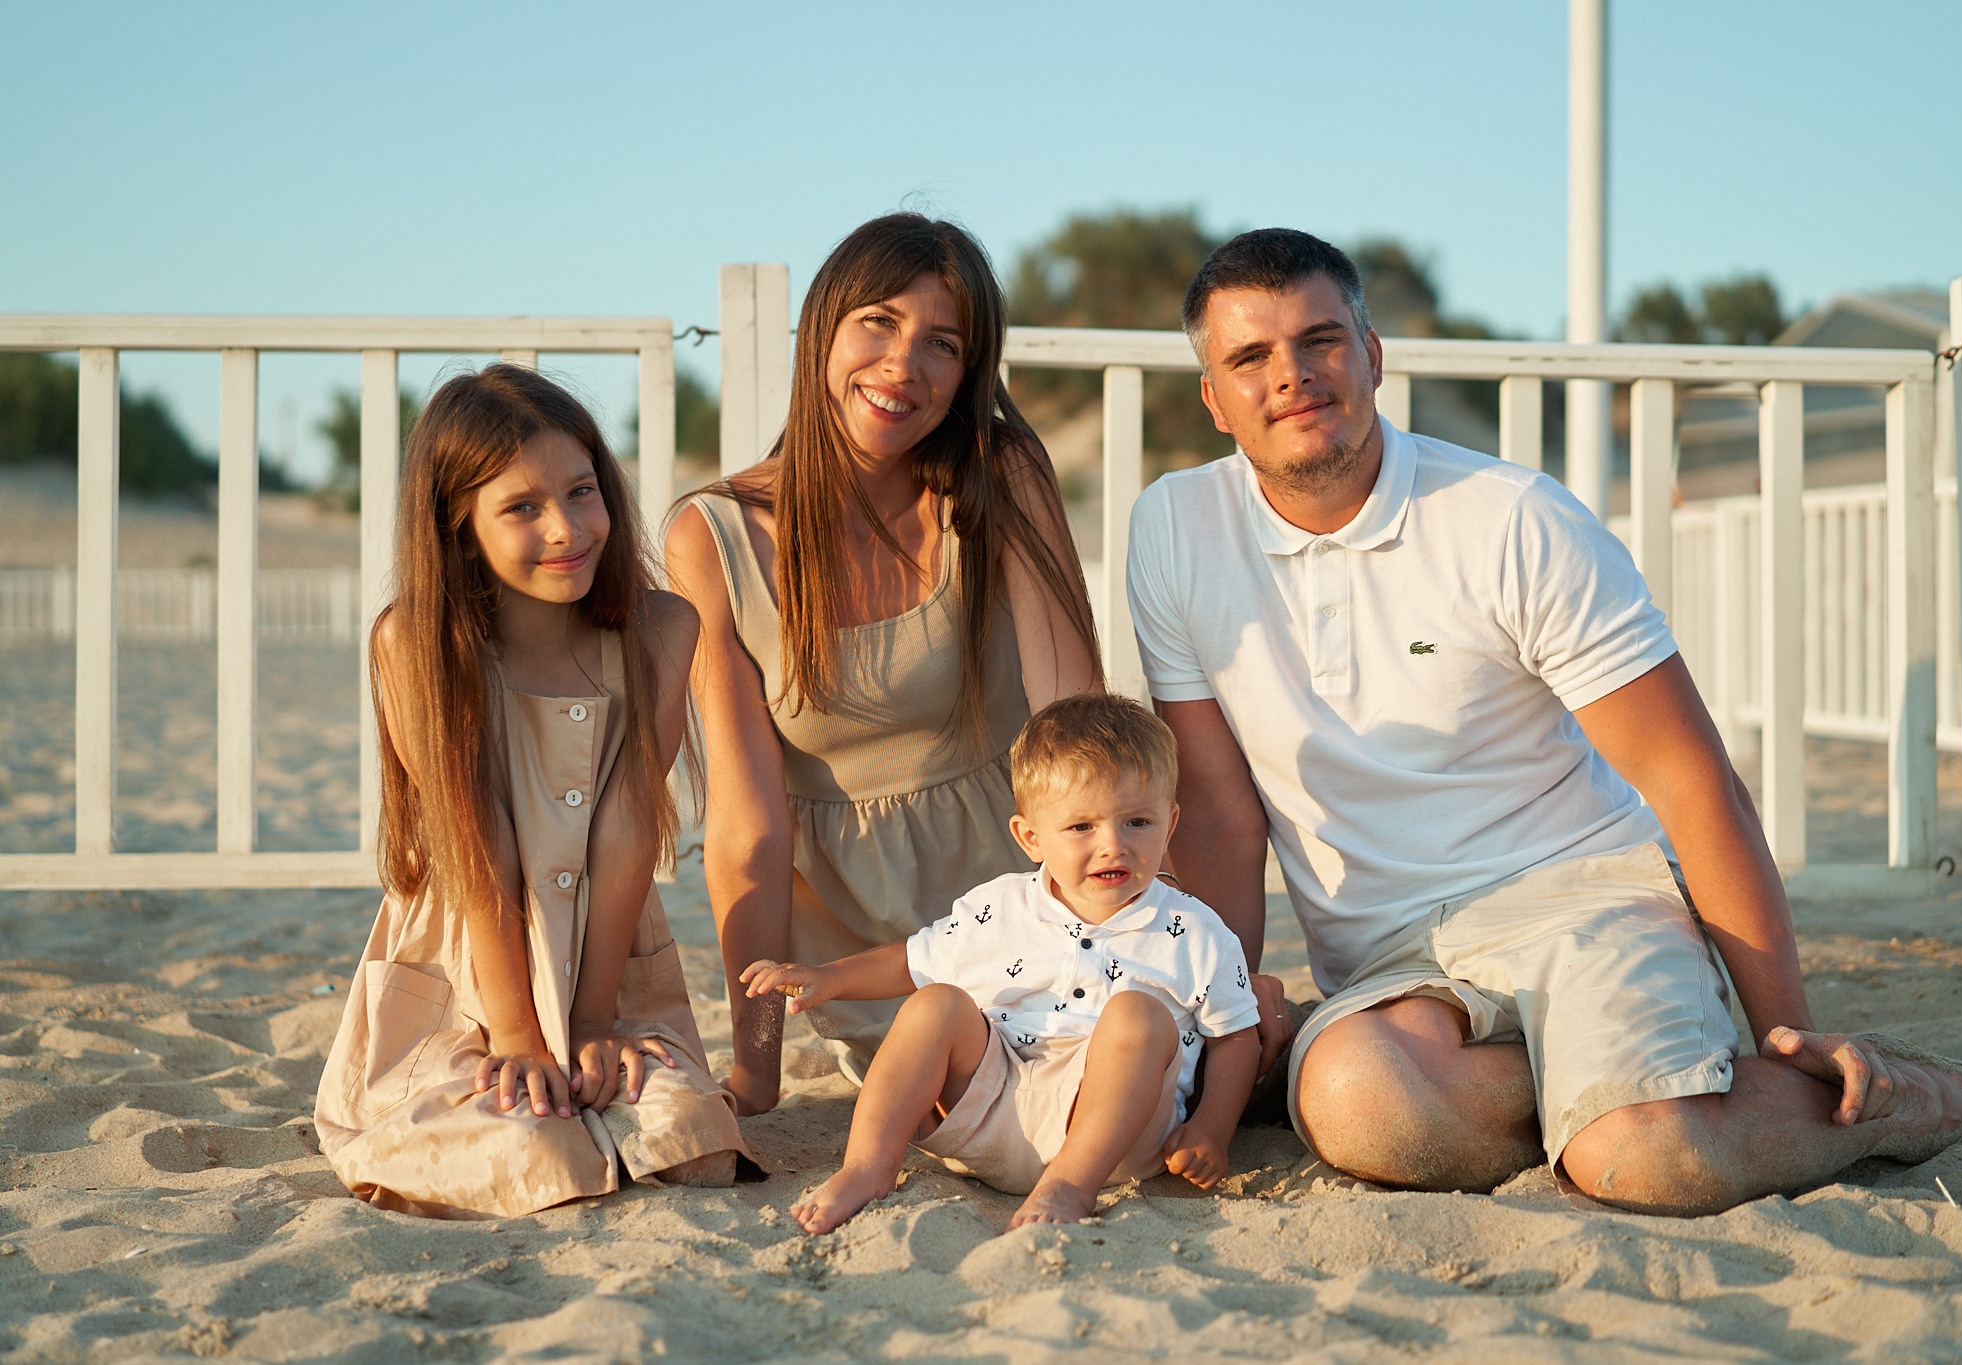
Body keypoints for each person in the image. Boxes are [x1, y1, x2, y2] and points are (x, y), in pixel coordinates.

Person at [1130, 228, 1962, 1216]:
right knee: (1355, 1105)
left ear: (1372, 354)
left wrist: (1786, 1030)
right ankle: (1603, 1091)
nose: (1292, 376)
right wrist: (1222, 1007)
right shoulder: (1173, 532)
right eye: (1249, 358)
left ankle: (1909, 1101)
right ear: (1211, 398)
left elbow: (1688, 777)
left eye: (1320, 340)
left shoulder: (1509, 518)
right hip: (1390, 958)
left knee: (1644, 1162)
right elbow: (1220, 812)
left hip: (1585, 901)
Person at [665, 214, 1107, 1114]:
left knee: (1114, 1072)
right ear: (823, 327)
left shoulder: (997, 472)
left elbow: (1078, 727)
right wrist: (755, 1068)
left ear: (968, 372)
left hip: (1027, 895)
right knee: (961, 1082)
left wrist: (1136, 939)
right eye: (877, 322)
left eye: (942, 343)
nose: (904, 365)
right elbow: (746, 825)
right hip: (864, 945)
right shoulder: (711, 536)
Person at [316, 364, 750, 1219]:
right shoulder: (419, 646)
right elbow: (482, 849)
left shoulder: (661, 631)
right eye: (521, 508)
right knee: (525, 1144)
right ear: (460, 526)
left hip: (608, 950)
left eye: (582, 491)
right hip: (473, 958)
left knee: (687, 1138)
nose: (566, 528)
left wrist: (592, 1020)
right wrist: (516, 1034)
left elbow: (627, 832)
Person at [742, 692, 1262, 1233]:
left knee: (1140, 1014)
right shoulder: (1000, 907)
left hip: (1115, 1136)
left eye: (1137, 822)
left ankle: (1068, 1186)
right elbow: (912, 962)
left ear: (1170, 823)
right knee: (936, 1002)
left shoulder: (1196, 931)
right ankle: (868, 1167)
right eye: (1082, 827)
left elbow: (1236, 1037)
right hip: (991, 1114)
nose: (1113, 845)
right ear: (1031, 838)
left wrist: (1211, 1130)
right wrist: (828, 979)